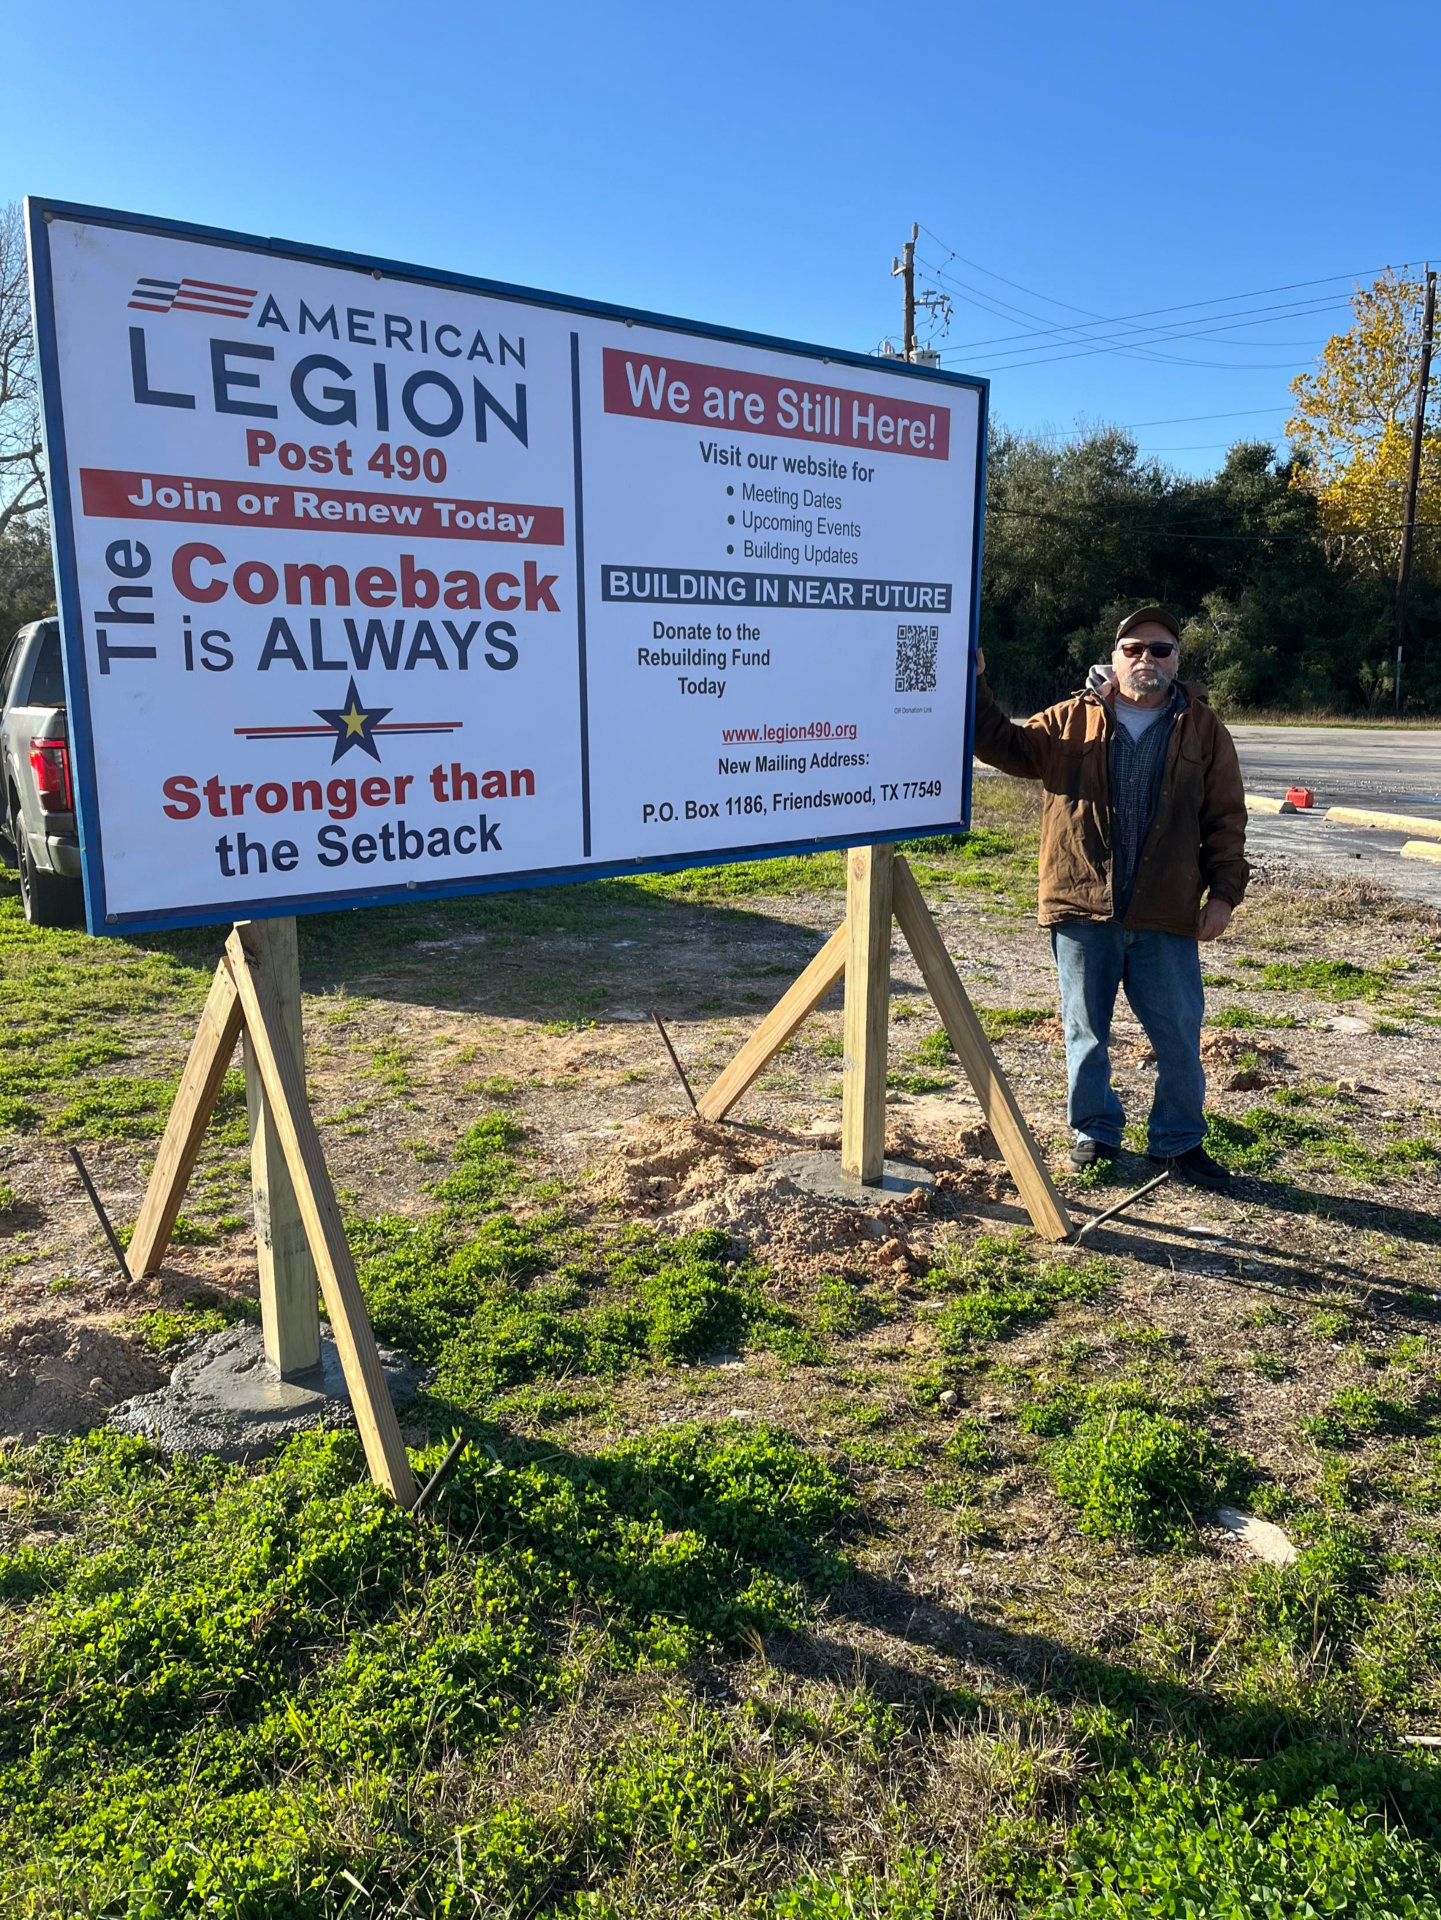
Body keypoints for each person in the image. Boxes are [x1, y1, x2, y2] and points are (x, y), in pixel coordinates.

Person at [971, 606, 1248, 1187]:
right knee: (1087, 1031)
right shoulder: (1070, 719)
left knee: (1178, 1031)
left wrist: (1222, 894)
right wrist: (974, 685)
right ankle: (1095, 1131)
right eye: (1134, 648)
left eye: (1161, 648)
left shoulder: (1202, 728)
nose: (1147, 658)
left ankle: (1177, 1141)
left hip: (1166, 910)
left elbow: (1225, 818)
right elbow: (1001, 744)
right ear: (1116, 656)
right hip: (1082, 906)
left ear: (1177, 658)